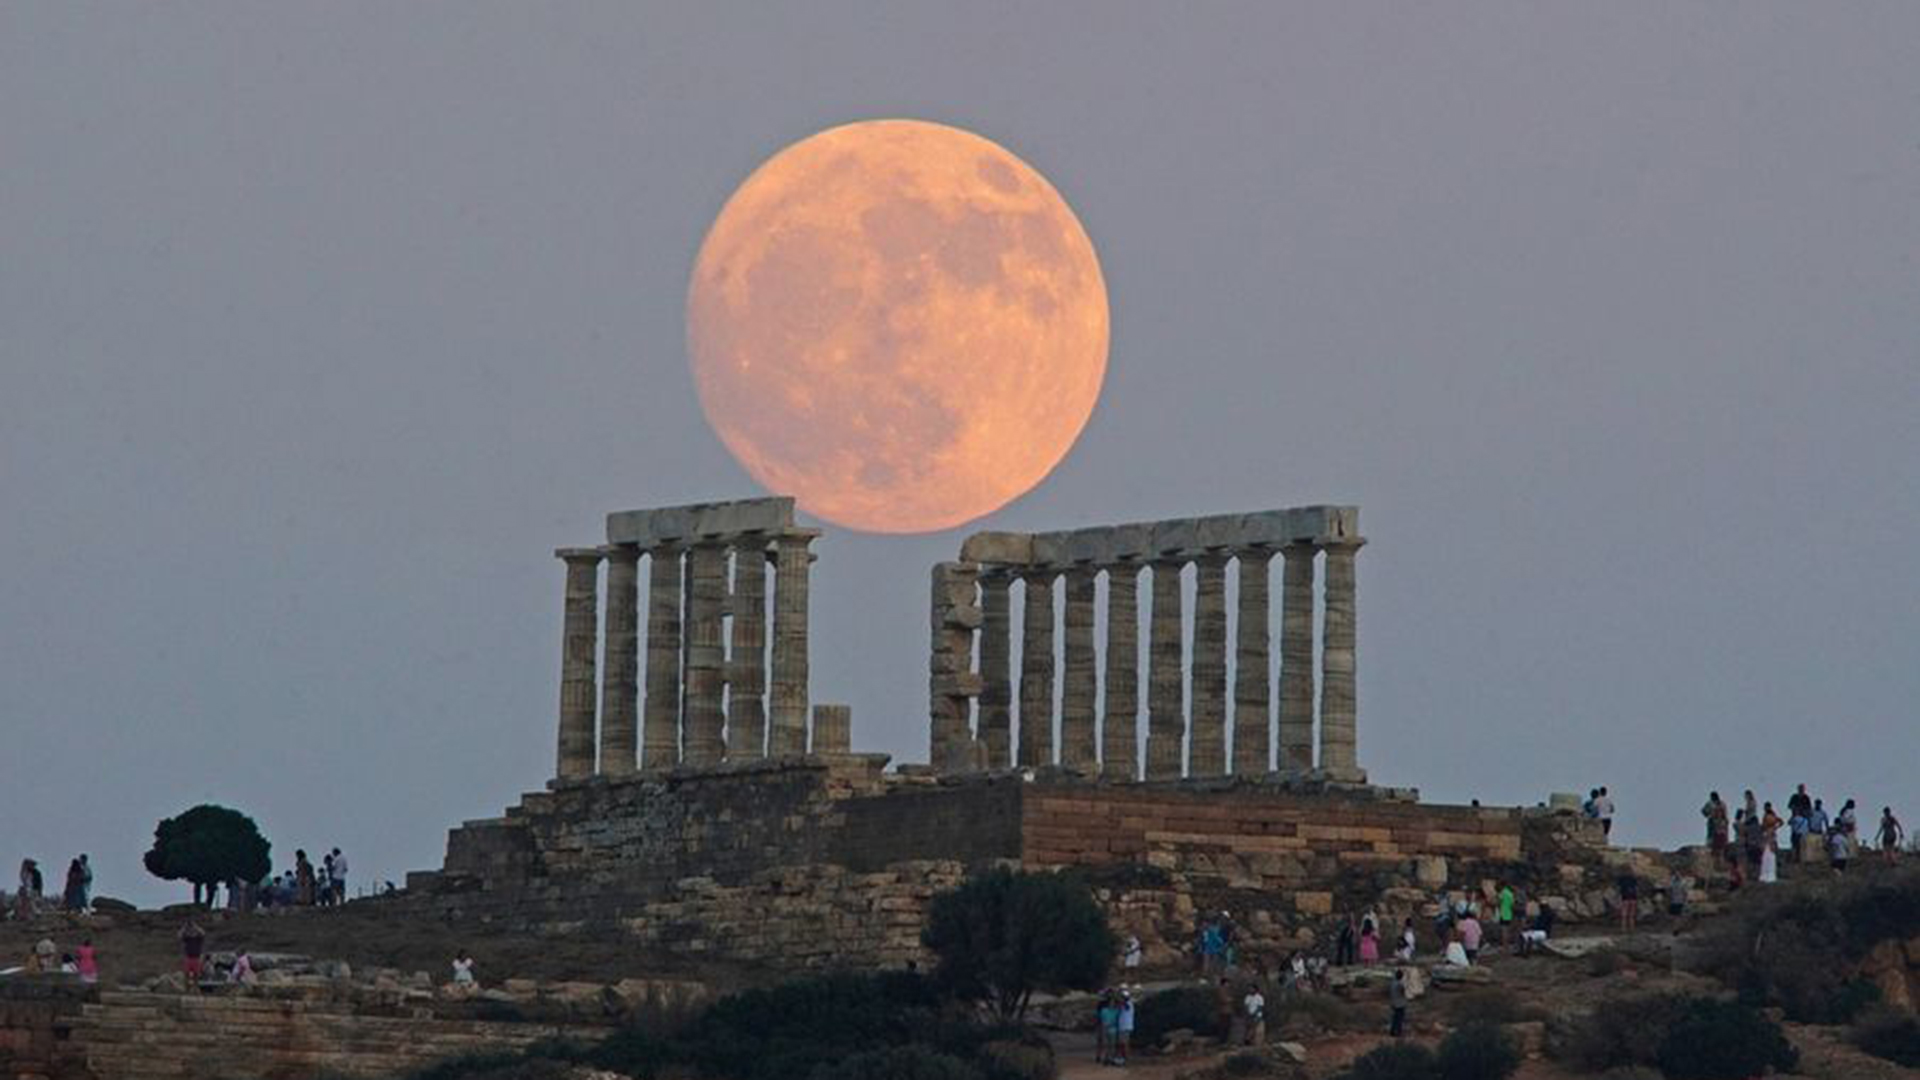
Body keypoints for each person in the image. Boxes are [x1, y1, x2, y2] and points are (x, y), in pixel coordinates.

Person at [179, 920, 207, 985]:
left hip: (196, 957)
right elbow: (179, 935)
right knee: (186, 974)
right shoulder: (187, 938)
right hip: (188, 957)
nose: (192, 931)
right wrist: (185, 927)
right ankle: (187, 988)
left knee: (196, 975)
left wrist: (195, 926)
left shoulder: (198, 938)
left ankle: (195, 988)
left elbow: (203, 933)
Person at [1095, 989, 1115, 1064]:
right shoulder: (1102, 1003)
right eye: (1109, 994)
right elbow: (1098, 1014)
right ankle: (1099, 1056)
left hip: (1106, 1024)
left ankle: (1104, 1056)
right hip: (1101, 1024)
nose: (1110, 996)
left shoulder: (1111, 1003)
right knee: (1101, 1041)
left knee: (1106, 1042)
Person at [1388, 968, 1409, 1038]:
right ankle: (1399, 1032)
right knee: (1400, 1018)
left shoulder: (1393, 983)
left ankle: (1392, 1031)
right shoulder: (1400, 984)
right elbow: (1404, 992)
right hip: (1400, 1003)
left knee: (1394, 1018)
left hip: (1394, 1002)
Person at [1116, 988, 1135, 1065]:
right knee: (1122, 1044)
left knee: (1125, 1044)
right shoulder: (1124, 1004)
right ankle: (1123, 1059)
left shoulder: (1129, 1003)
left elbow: (1126, 1006)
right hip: (1123, 1026)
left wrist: (1121, 1000)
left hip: (1126, 1026)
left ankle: (1126, 1060)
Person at [1496, 883, 1516, 950]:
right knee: (1508, 931)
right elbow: (1513, 905)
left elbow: (1498, 902)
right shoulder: (1510, 893)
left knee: (1504, 931)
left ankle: (1505, 947)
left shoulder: (1502, 893)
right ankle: (1508, 946)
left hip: (1503, 914)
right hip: (1509, 914)